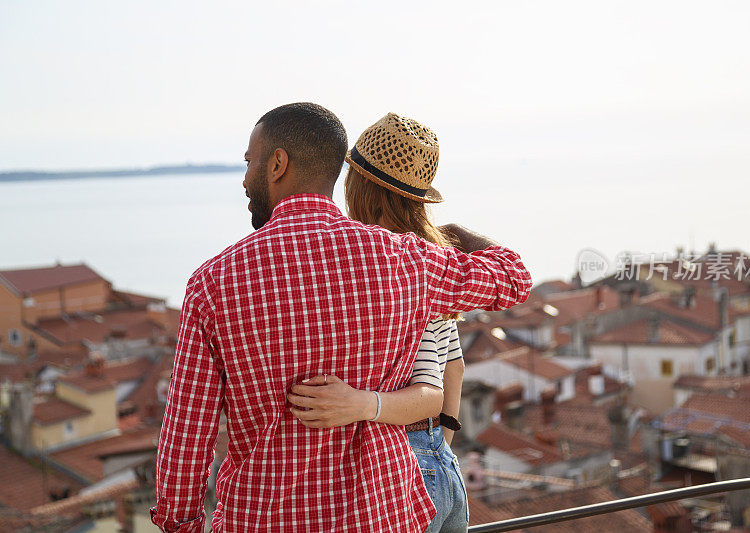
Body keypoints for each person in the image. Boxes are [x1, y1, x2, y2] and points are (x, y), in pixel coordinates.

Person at [150, 103, 532, 533]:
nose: (244, 178)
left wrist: (180, 524)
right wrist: (456, 234)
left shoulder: (214, 283)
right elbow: (513, 278)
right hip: (382, 516)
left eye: (249, 161)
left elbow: (187, 437)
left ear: (277, 164)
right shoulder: (405, 260)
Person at [287, 113, 475, 532]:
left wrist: (359, 404)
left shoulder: (393, 271)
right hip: (442, 467)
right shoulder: (434, 263)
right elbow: (455, 368)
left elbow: (429, 392)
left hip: (404, 472)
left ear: (357, 184)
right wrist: (438, 449)